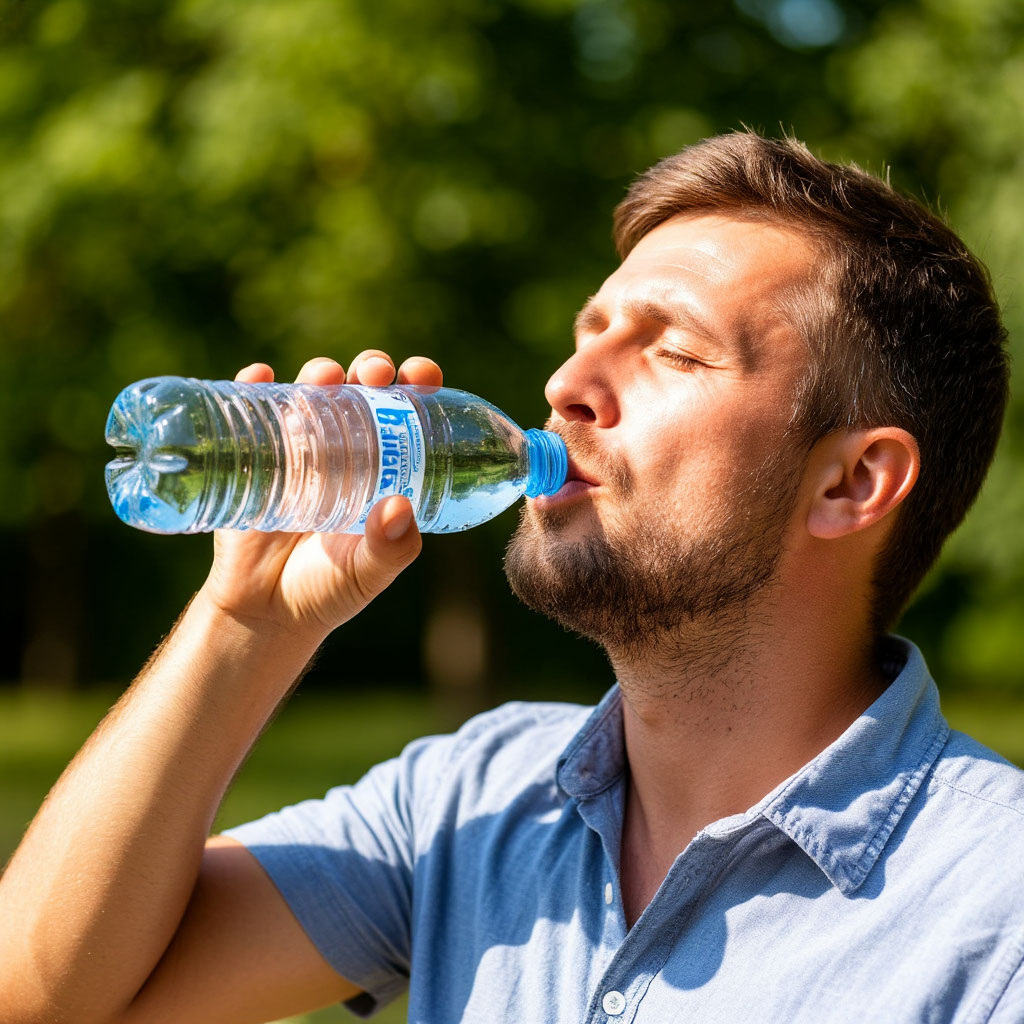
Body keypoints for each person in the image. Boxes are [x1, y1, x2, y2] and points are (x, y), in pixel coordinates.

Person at [1, 131, 1021, 1024]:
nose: (565, 386)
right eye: (590, 336)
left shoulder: (990, 908)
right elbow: (45, 998)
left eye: (673, 352)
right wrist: (246, 620)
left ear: (850, 481)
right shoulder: (473, 800)